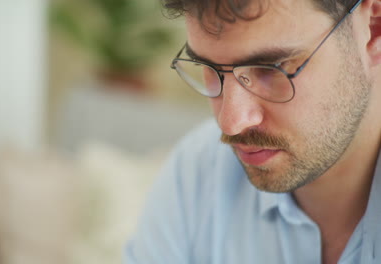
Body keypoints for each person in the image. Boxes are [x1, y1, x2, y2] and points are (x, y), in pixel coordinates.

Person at [124, 0, 381, 263]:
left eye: (272, 68)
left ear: (373, 28)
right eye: (209, 68)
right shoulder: (196, 176)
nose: (231, 123)